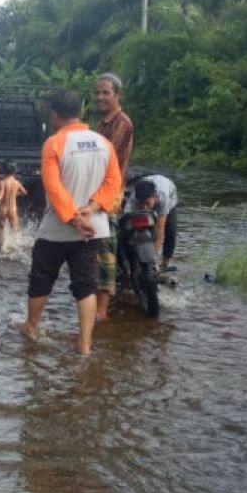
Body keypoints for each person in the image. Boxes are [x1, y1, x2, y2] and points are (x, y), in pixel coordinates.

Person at [21, 89, 122, 356]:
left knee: (41, 279)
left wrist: (73, 218)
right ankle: (85, 345)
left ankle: (31, 327)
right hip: (93, 229)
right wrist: (93, 207)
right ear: (81, 111)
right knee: (85, 285)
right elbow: (114, 182)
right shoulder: (103, 143)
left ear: (55, 115)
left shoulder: (54, 144)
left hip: (57, 229)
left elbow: (53, 189)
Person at [92, 73, 136, 324]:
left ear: (118, 95)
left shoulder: (121, 122)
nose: (100, 97)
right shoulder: (102, 123)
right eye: (97, 93)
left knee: (105, 247)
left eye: (105, 93)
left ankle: (102, 309)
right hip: (98, 189)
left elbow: (104, 157)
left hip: (109, 192)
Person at [130, 174, 179, 271]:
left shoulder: (163, 197)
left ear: (154, 196)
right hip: (149, 184)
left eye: (147, 203)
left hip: (170, 194)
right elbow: (133, 224)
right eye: (142, 204)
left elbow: (161, 230)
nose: (144, 207)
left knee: (170, 229)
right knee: (139, 226)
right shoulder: (134, 198)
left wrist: (154, 256)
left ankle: (165, 261)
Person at [0, 161, 27, 248]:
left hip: (3, 209)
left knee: (1, 229)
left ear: (4, 171)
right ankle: (14, 247)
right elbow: (24, 192)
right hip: (12, 210)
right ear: (15, 171)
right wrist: (15, 194)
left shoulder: (2, 182)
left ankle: (0, 246)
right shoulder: (17, 183)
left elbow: (0, 197)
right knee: (15, 231)